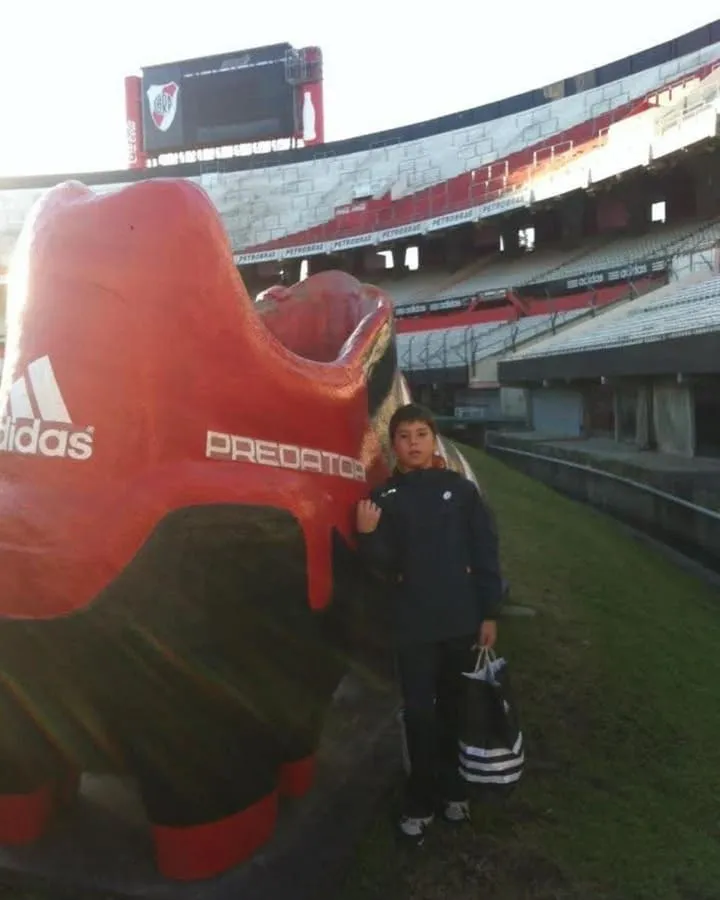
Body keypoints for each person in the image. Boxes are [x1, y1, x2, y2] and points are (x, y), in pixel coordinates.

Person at [355, 403, 503, 841]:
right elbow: (381, 569)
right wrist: (366, 537)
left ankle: (455, 793)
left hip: (460, 622)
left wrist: (489, 611)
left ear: (433, 439)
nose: (414, 443)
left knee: (457, 711)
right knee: (420, 716)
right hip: (413, 627)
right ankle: (420, 800)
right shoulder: (384, 498)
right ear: (393, 444)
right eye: (404, 435)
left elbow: (484, 553)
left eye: (421, 433)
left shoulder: (461, 493)